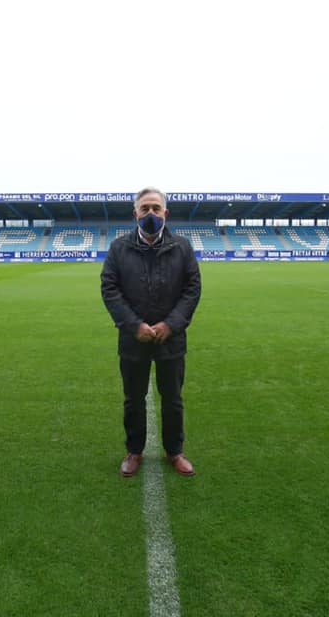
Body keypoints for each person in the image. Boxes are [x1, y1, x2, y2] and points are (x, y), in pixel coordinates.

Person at [101, 188, 202, 478]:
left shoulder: (182, 247)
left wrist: (171, 324)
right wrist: (134, 326)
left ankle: (175, 452)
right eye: (145, 208)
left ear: (165, 213)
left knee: (172, 399)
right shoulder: (119, 248)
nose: (150, 214)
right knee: (133, 399)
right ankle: (134, 451)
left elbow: (192, 289)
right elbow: (110, 289)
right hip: (133, 341)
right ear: (135, 214)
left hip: (172, 339)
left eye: (156, 208)